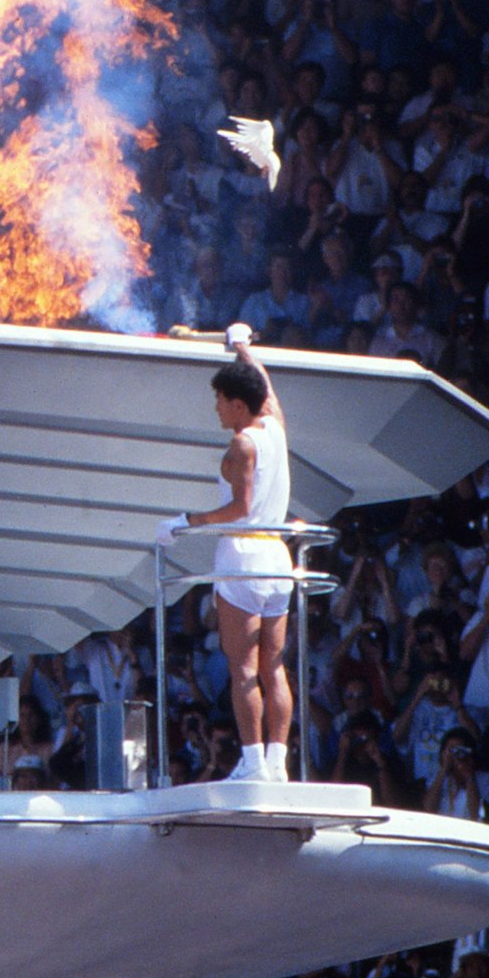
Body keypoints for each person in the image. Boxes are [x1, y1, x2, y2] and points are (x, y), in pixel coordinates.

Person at [159, 326, 295, 781]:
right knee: (274, 668)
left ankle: (254, 762)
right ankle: (278, 762)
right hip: (277, 558)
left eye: (220, 399)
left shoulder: (242, 443)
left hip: (243, 558)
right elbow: (267, 386)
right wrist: (241, 346)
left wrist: (185, 522)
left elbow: (239, 508)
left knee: (243, 670)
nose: (216, 407)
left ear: (238, 404)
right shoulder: (273, 424)